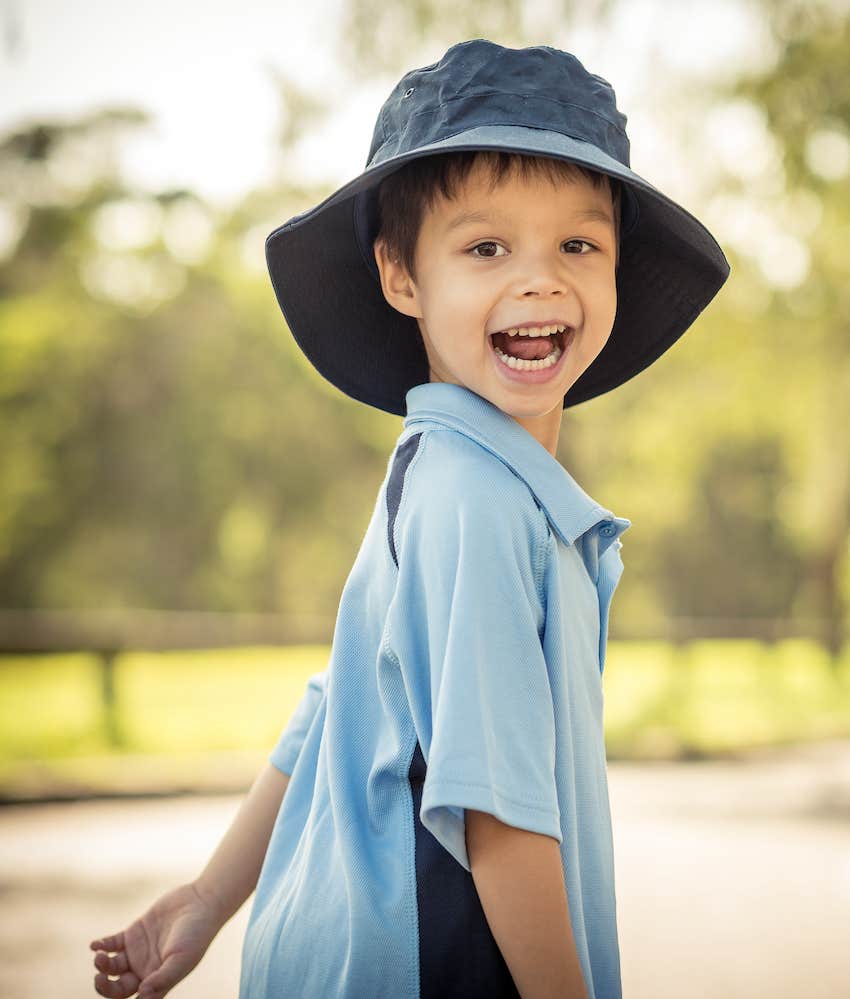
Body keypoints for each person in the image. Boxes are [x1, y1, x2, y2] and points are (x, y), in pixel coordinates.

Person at [89, 38, 729, 999]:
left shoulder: (444, 471)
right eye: (485, 247)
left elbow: (337, 702)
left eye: (578, 245)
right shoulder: (473, 498)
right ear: (402, 278)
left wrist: (206, 896)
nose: (540, 279)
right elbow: (500, 819)